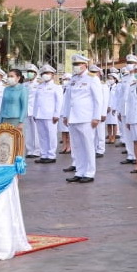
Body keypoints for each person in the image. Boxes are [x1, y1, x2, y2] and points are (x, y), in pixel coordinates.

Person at [61, 54, 102, 183]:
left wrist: (96, 117)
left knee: (88, 146)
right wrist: (66, 115)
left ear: (85, 65)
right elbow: (68, 99)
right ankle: (79, 171)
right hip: (73, 118)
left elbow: (98, 99)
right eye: (74, 64)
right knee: (77, 147)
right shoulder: (73, 79)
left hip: (86, 118)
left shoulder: (92, 78)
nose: (76, 67)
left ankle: (89, 173)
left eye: (78, 64)